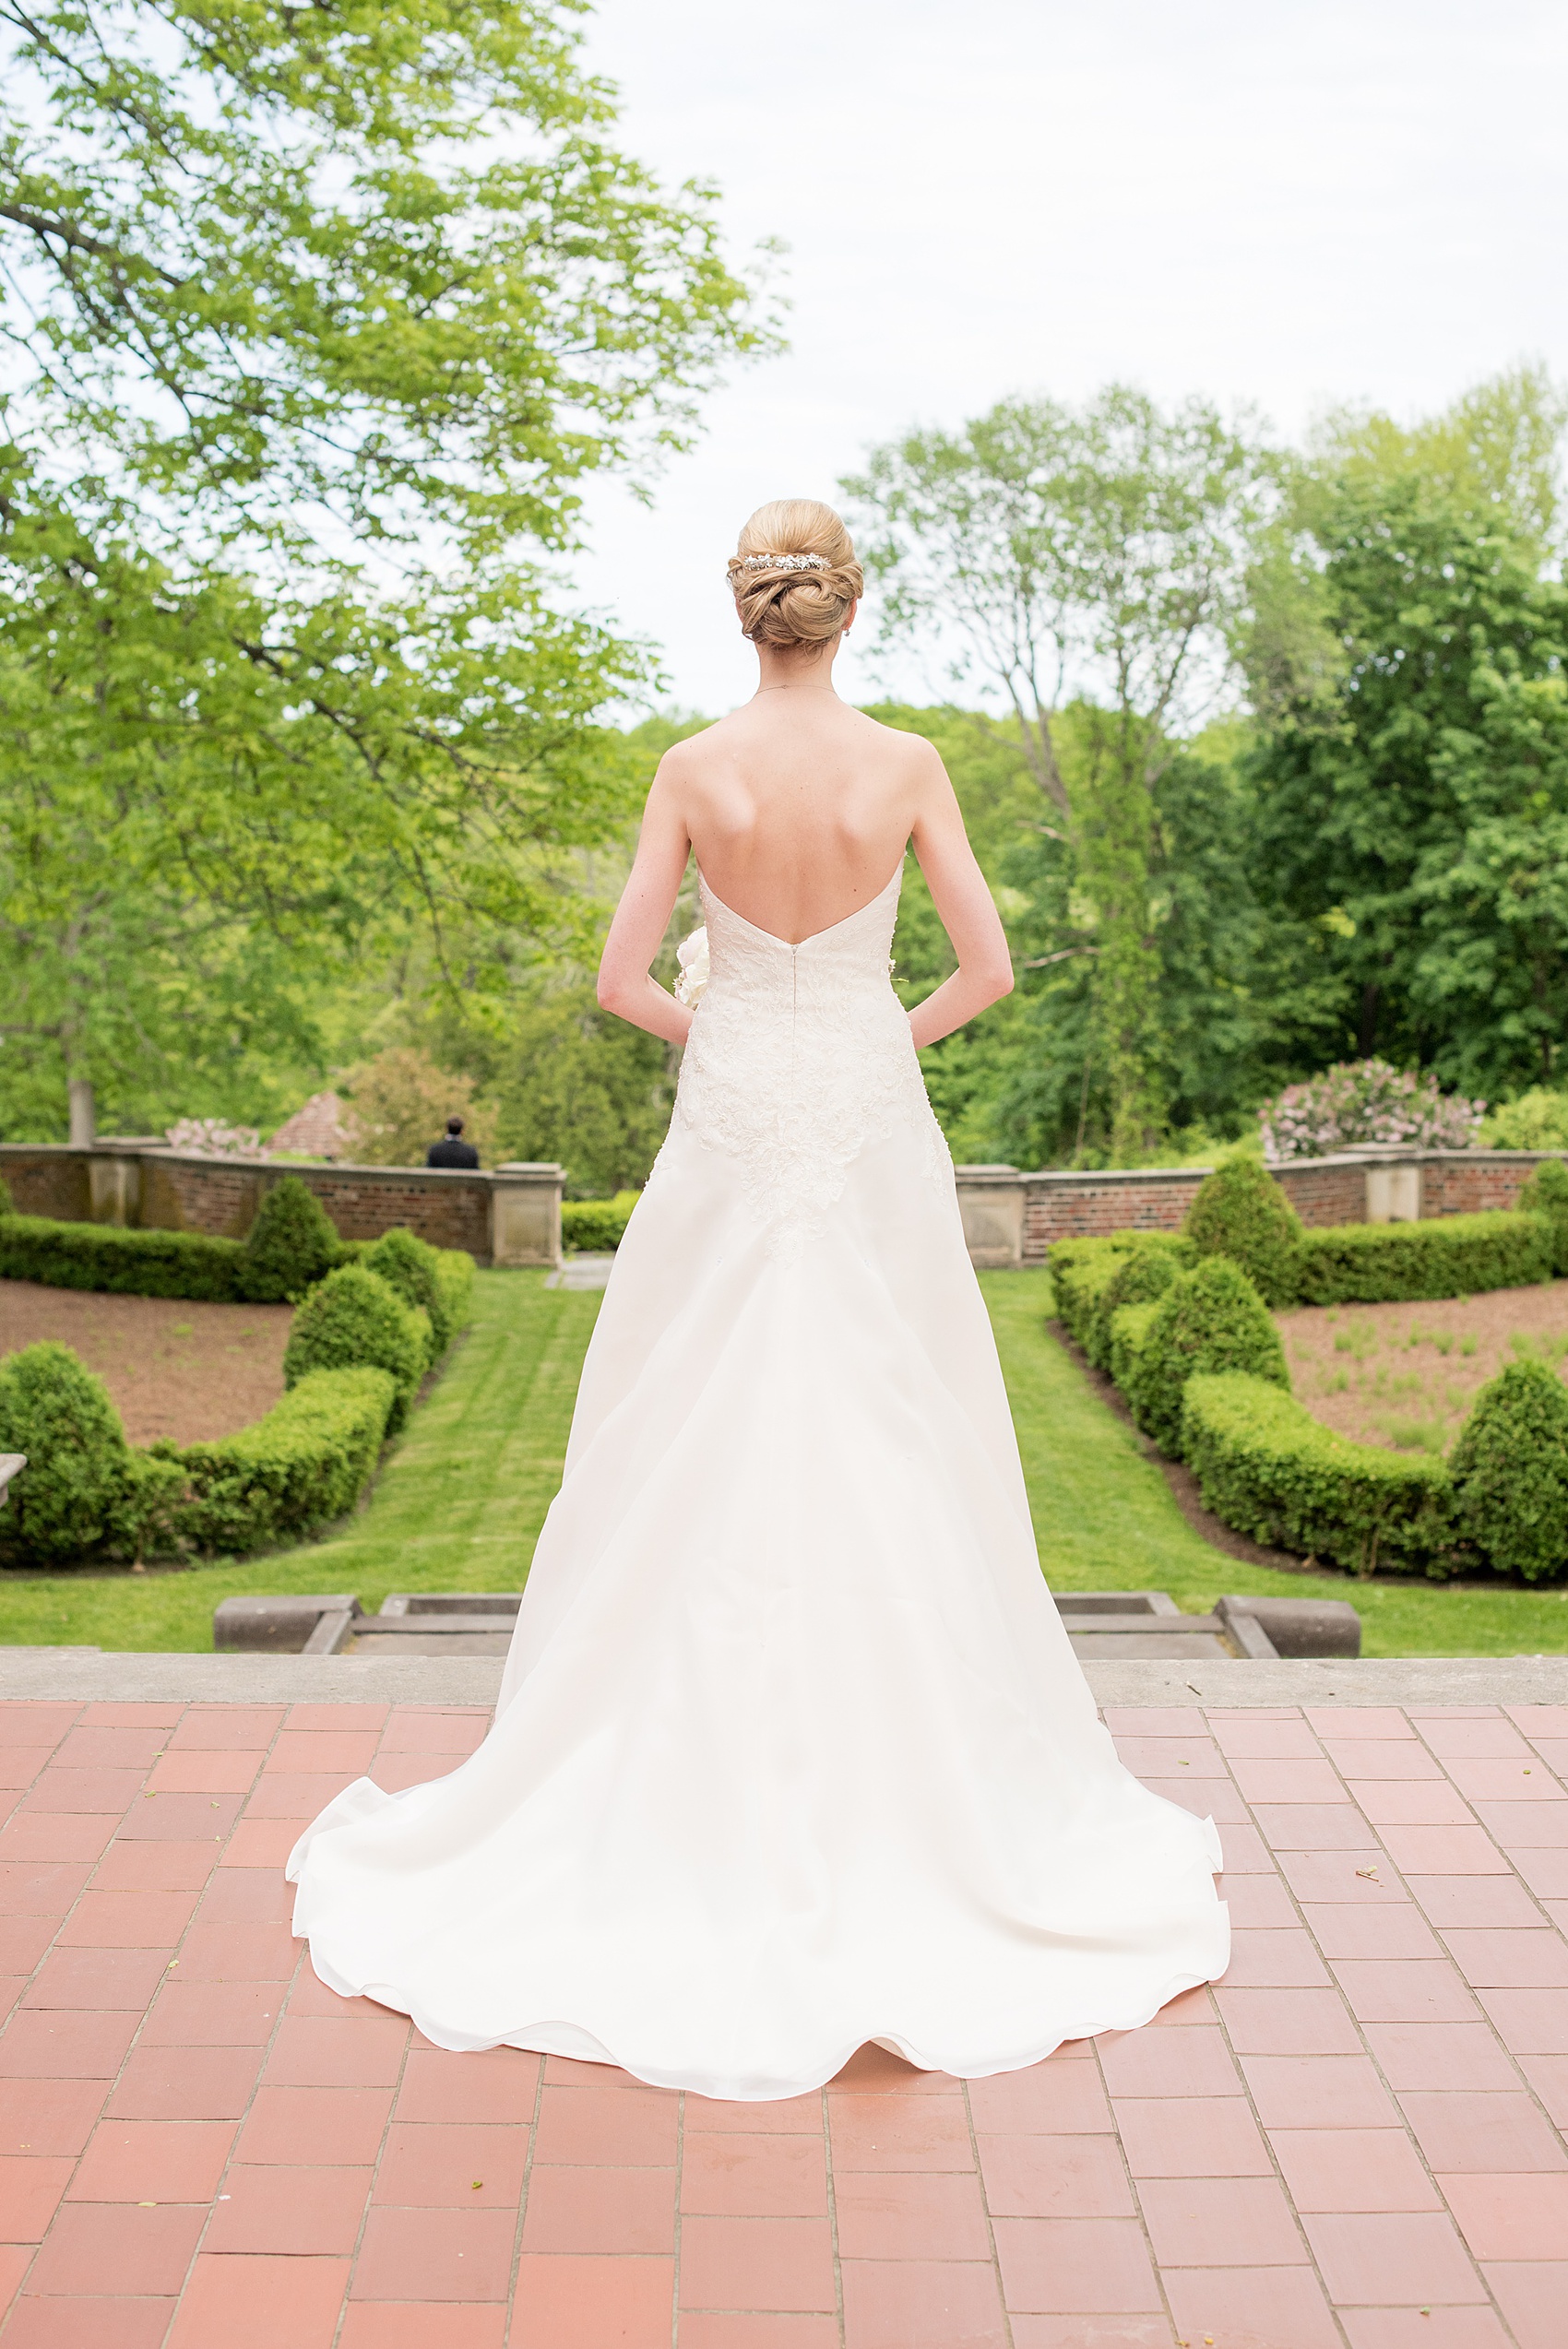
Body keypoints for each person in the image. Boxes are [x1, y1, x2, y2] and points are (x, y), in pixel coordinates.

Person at [287, 497, 1229, 2100]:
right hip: (866, 1126)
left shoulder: (691, 770)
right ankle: (927, 1795)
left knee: (686, 1420)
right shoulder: (910, 766)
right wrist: (864, 1042)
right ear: (846, 615)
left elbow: (620, 979)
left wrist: (731, 1036)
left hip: (733, 1126)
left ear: (747, 616)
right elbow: (987, 972)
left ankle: (655, 1786)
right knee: (901, 1421)